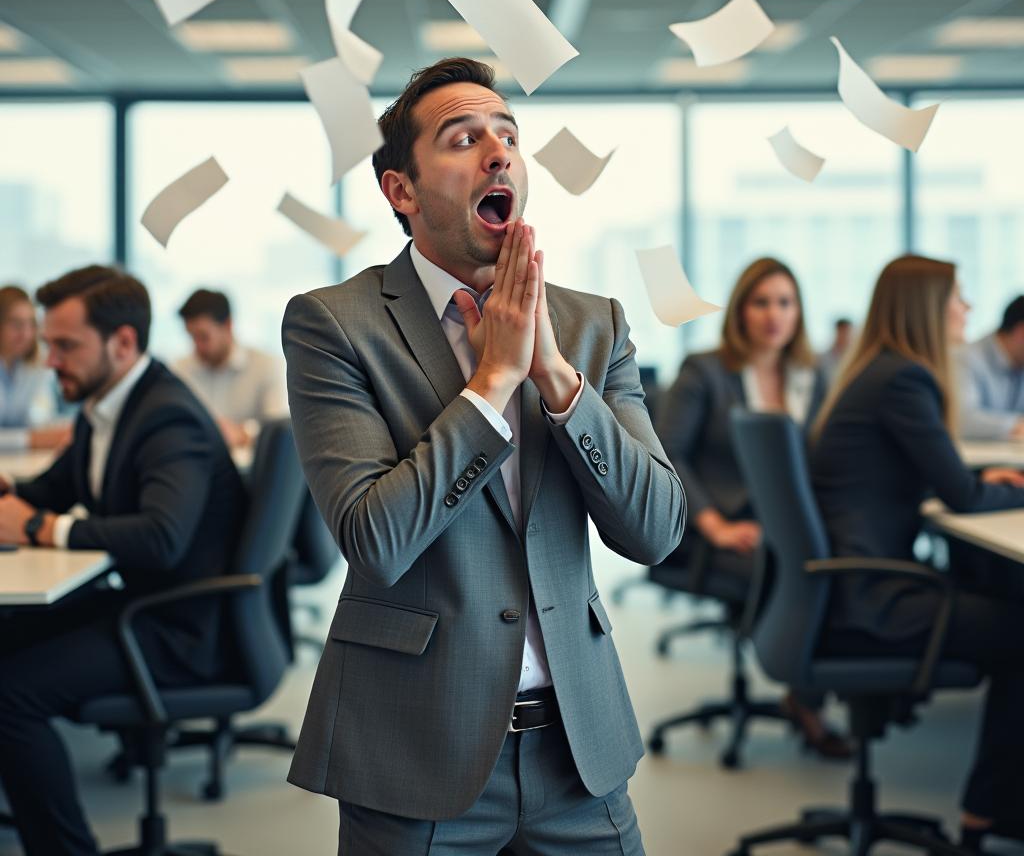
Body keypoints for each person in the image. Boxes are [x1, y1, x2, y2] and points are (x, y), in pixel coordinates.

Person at [281, 57, 685, 854]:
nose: (497, 152)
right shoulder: (334, 324)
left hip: (579, 750)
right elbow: (375, 539)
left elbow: (658, 530)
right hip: (414, 749)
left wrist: (559, 382)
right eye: (464, 138)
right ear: (402, 190)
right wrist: (493, 380)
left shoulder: (594, 324)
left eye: (508, 136)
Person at [0, 265, 247, 856]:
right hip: (137, 603)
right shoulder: (105, 405)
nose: (49, 358)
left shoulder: (167, 416)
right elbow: (53, 490)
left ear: (123, 343)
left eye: (64, 345)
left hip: (176, 628)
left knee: (11, 695)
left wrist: (37, 527)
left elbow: (162, 537)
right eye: (47, 342)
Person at [809, 255, 1024, 851]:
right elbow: (959, 490)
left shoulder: (875, 372)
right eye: (958, 296)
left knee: (1005, 588)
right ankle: (989, 812)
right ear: (928, 307)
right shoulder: (905, 378)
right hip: (872, 597)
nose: (969, 308)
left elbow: (934, 479)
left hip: (844, 588)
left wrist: (996, 483)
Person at [656, 257, 846, 758]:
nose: (773, 315)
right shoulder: (706, 371)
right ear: (740, 311)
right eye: (761, 302)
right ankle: (803, 695)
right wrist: (713, 523)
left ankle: (804, 689)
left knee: (836, 563)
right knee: (799, 571)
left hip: (786, 527)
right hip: (712, 528)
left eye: (785, 302)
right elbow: (666, 453)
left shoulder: (810, 375)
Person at [173, 287, 287, 448]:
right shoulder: (180, 370)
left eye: (204, 337)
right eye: (192, 337)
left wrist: (243, 434)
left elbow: (282, 432)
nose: (197, 346)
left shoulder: (266, 366)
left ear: (227, 325)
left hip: (250, 470)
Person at [0, 284, 70, 451]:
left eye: (31, 324)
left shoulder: (41, 362)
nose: (26, 334)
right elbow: (36, 436)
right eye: (16, 324)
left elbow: (40, 419)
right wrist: (29, 440)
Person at [957, 294, 1024, 440]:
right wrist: (1015, 425)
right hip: (976, 460)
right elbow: (963, 419)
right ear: (1021, 333)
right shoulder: (966, 358)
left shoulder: (1020, 363)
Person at [818, 316, 854, 386]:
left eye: (848, 333)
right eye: (843, 332)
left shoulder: (853, 358)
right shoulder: (822, 358)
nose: (846, 336)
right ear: (837, 331)